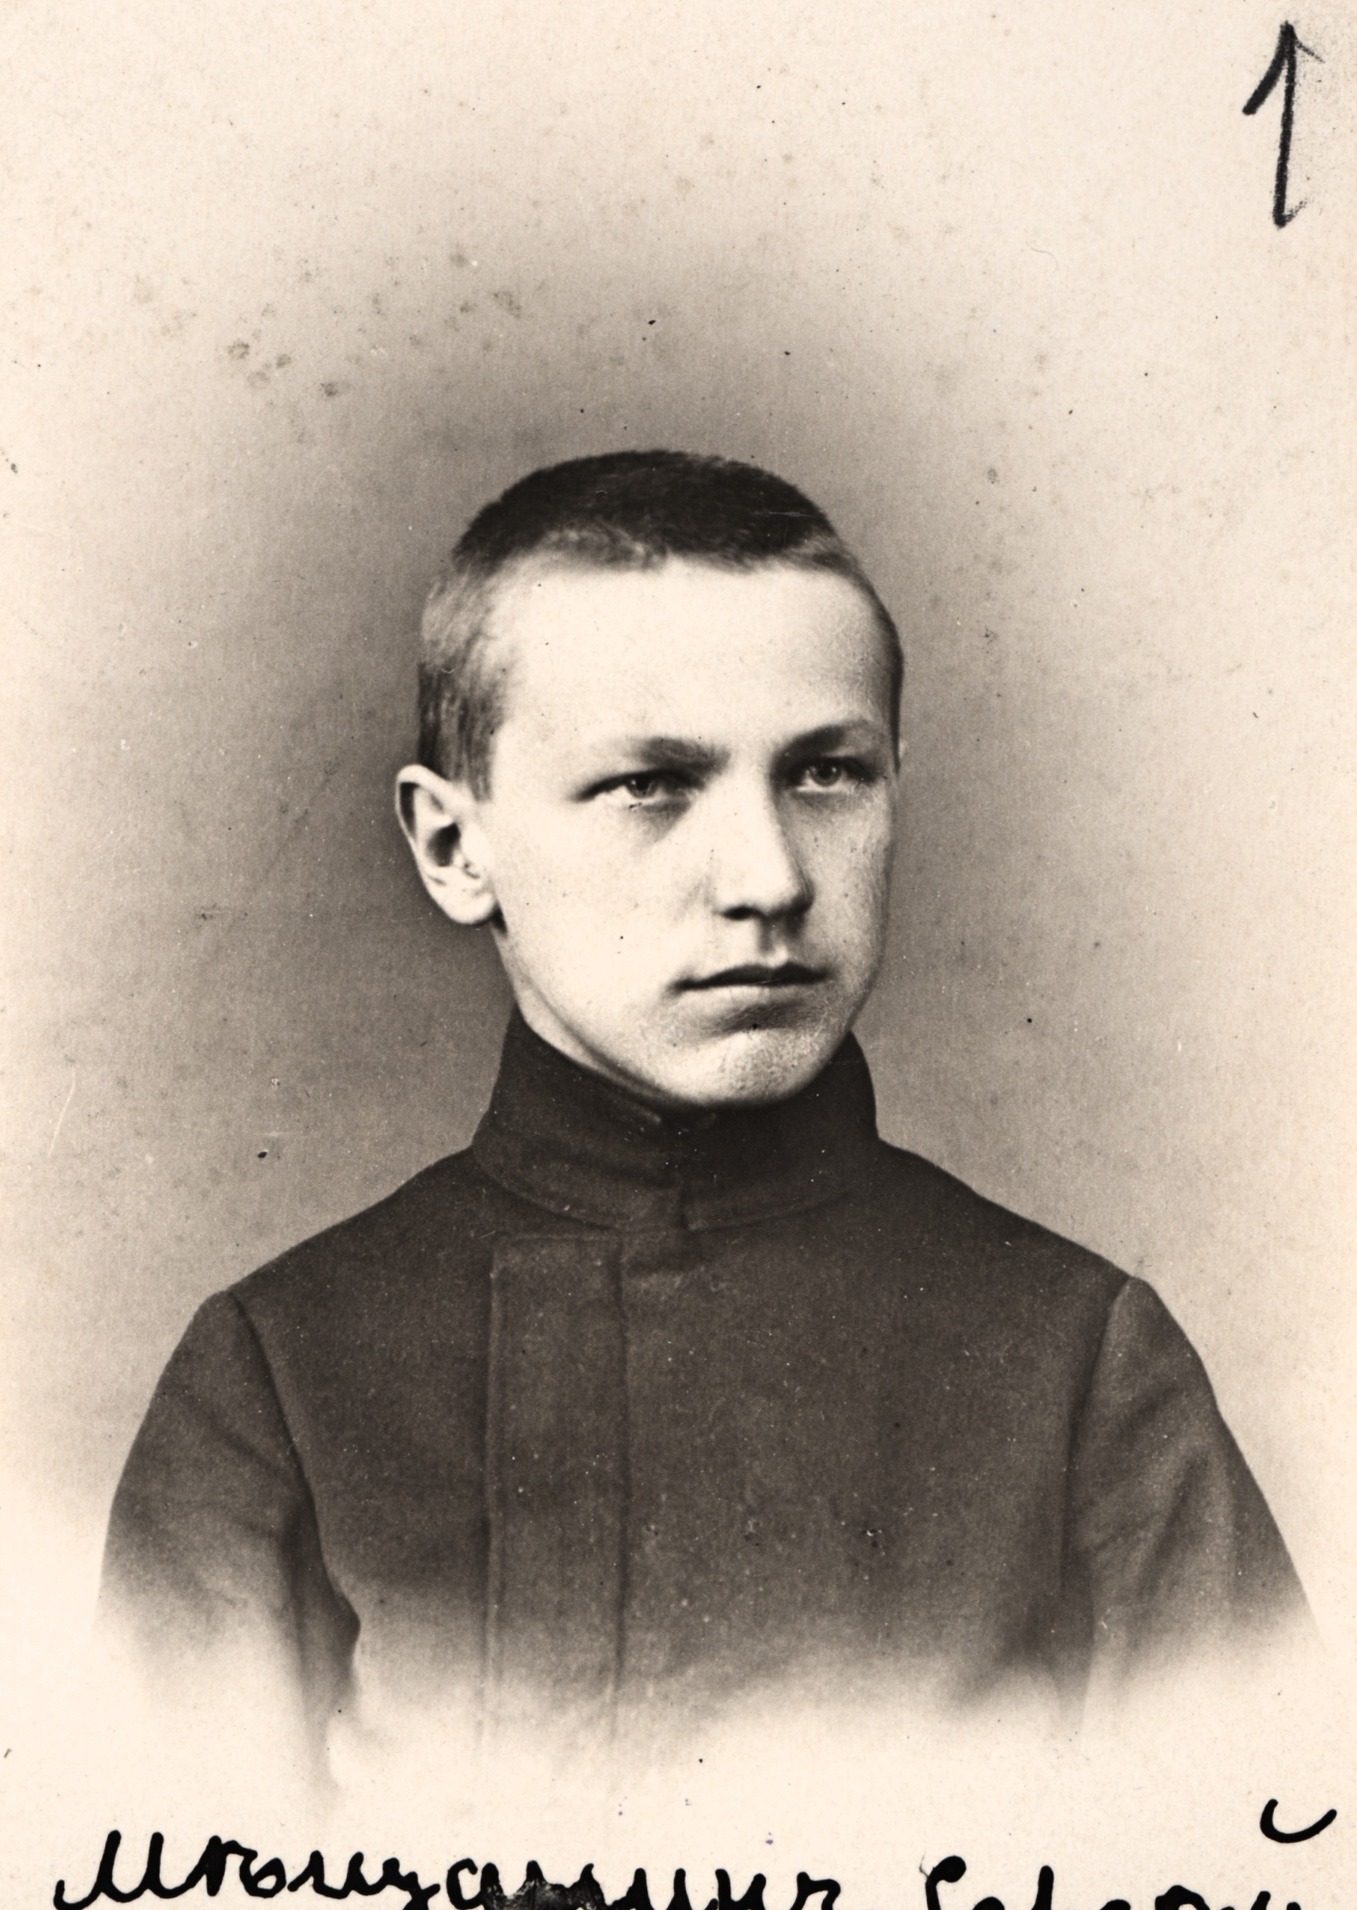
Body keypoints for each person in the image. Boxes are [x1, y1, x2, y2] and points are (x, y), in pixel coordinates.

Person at [101, 450, 1305, 1748]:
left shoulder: (1078, 1359)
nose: (768, 880)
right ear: (455, 847)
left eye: (825, 773)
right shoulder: (285, 1370)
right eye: (651, 784)